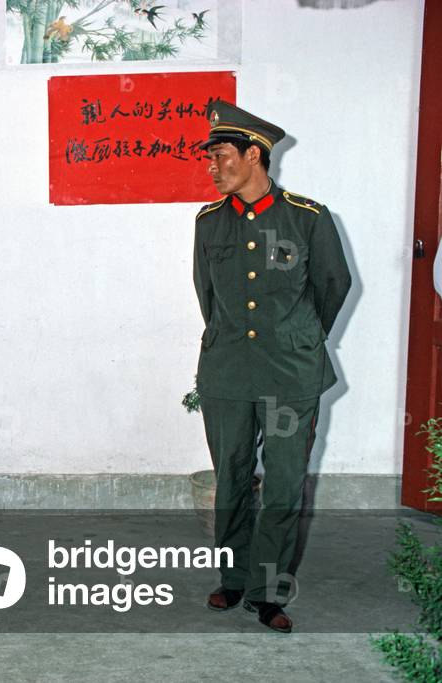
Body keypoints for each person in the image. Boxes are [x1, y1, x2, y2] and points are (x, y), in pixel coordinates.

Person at [192, 100, 351, 634]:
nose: (211, 167)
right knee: (231, 480)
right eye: (209, 157)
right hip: (228, 376)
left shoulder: (307, 218)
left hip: (290, 376)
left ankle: (268, 592)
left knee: (283, 486)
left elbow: (333, 287)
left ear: (255, 154)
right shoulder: (209, 223)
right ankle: (233, 580)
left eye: (221, 155)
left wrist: (298, 340)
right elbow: (207, 296)